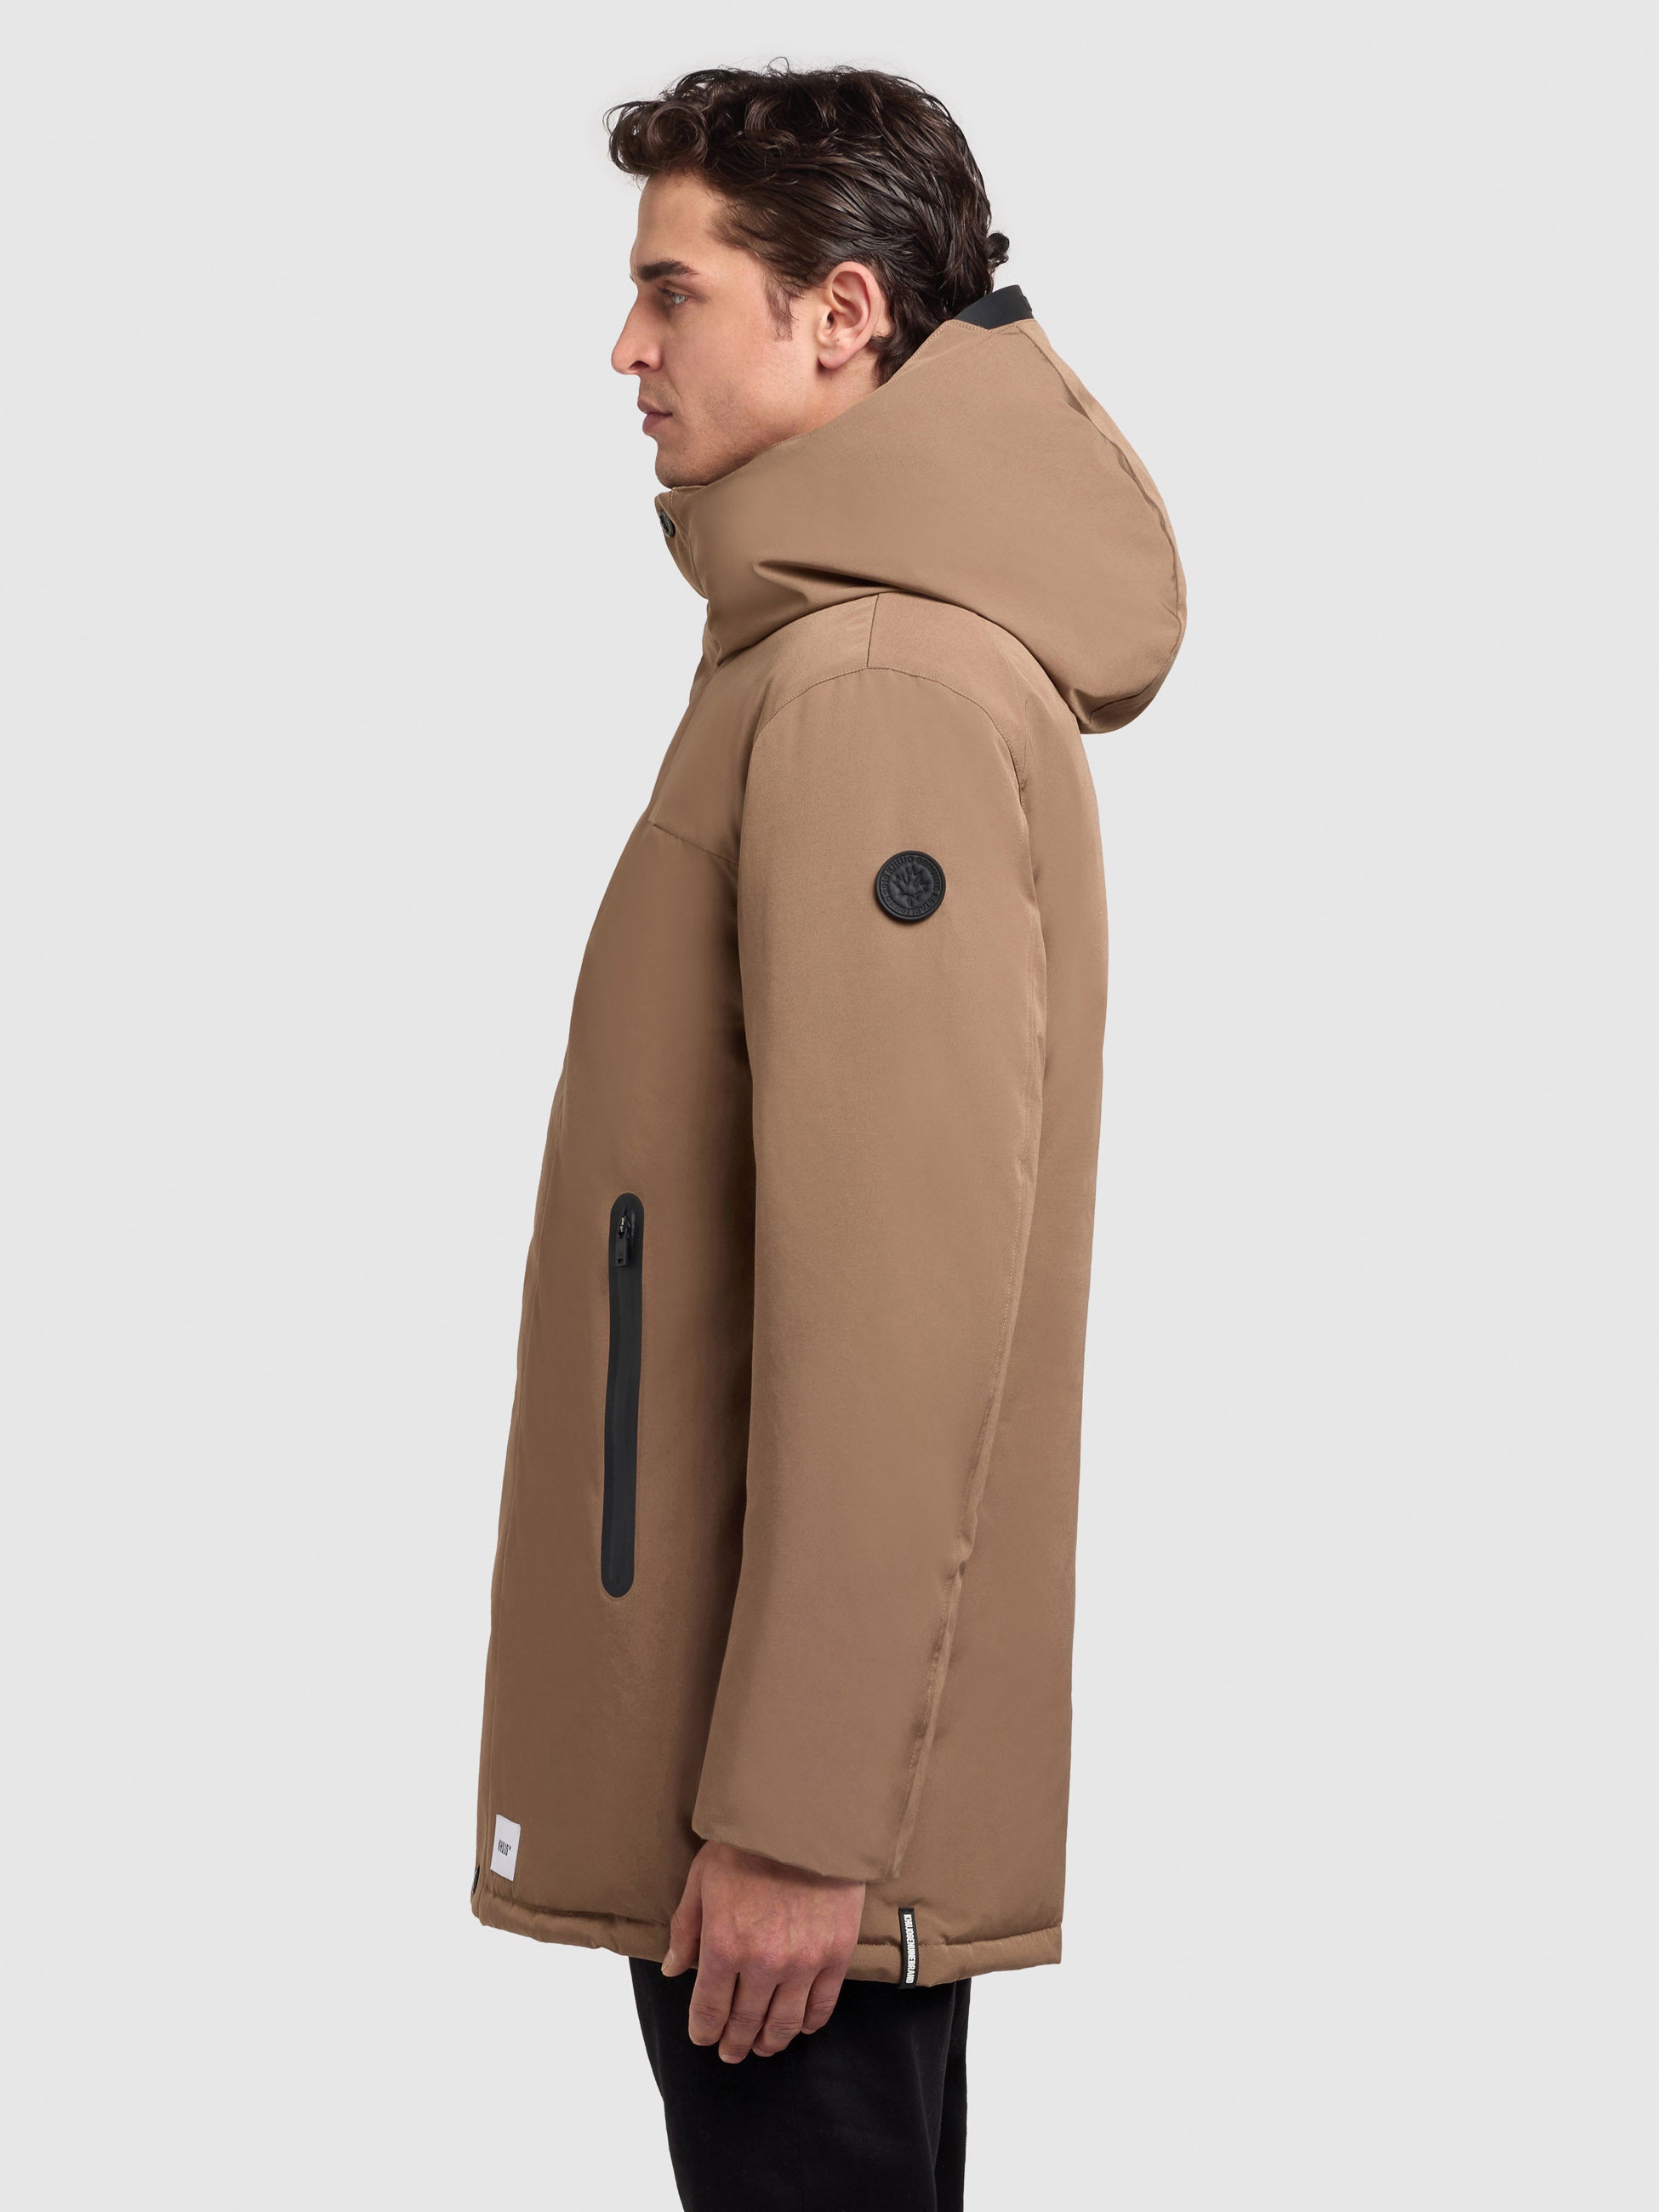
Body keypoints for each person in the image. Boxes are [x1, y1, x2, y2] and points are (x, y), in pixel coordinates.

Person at [470, 61, 1185, 2210]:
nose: (626, 349)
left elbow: (901, 1306)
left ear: (842, 316)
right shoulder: (828, 656)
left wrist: (799, 1816)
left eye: (673, 292)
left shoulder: (876, 686)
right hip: (765, 1760)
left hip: (788, 1813)